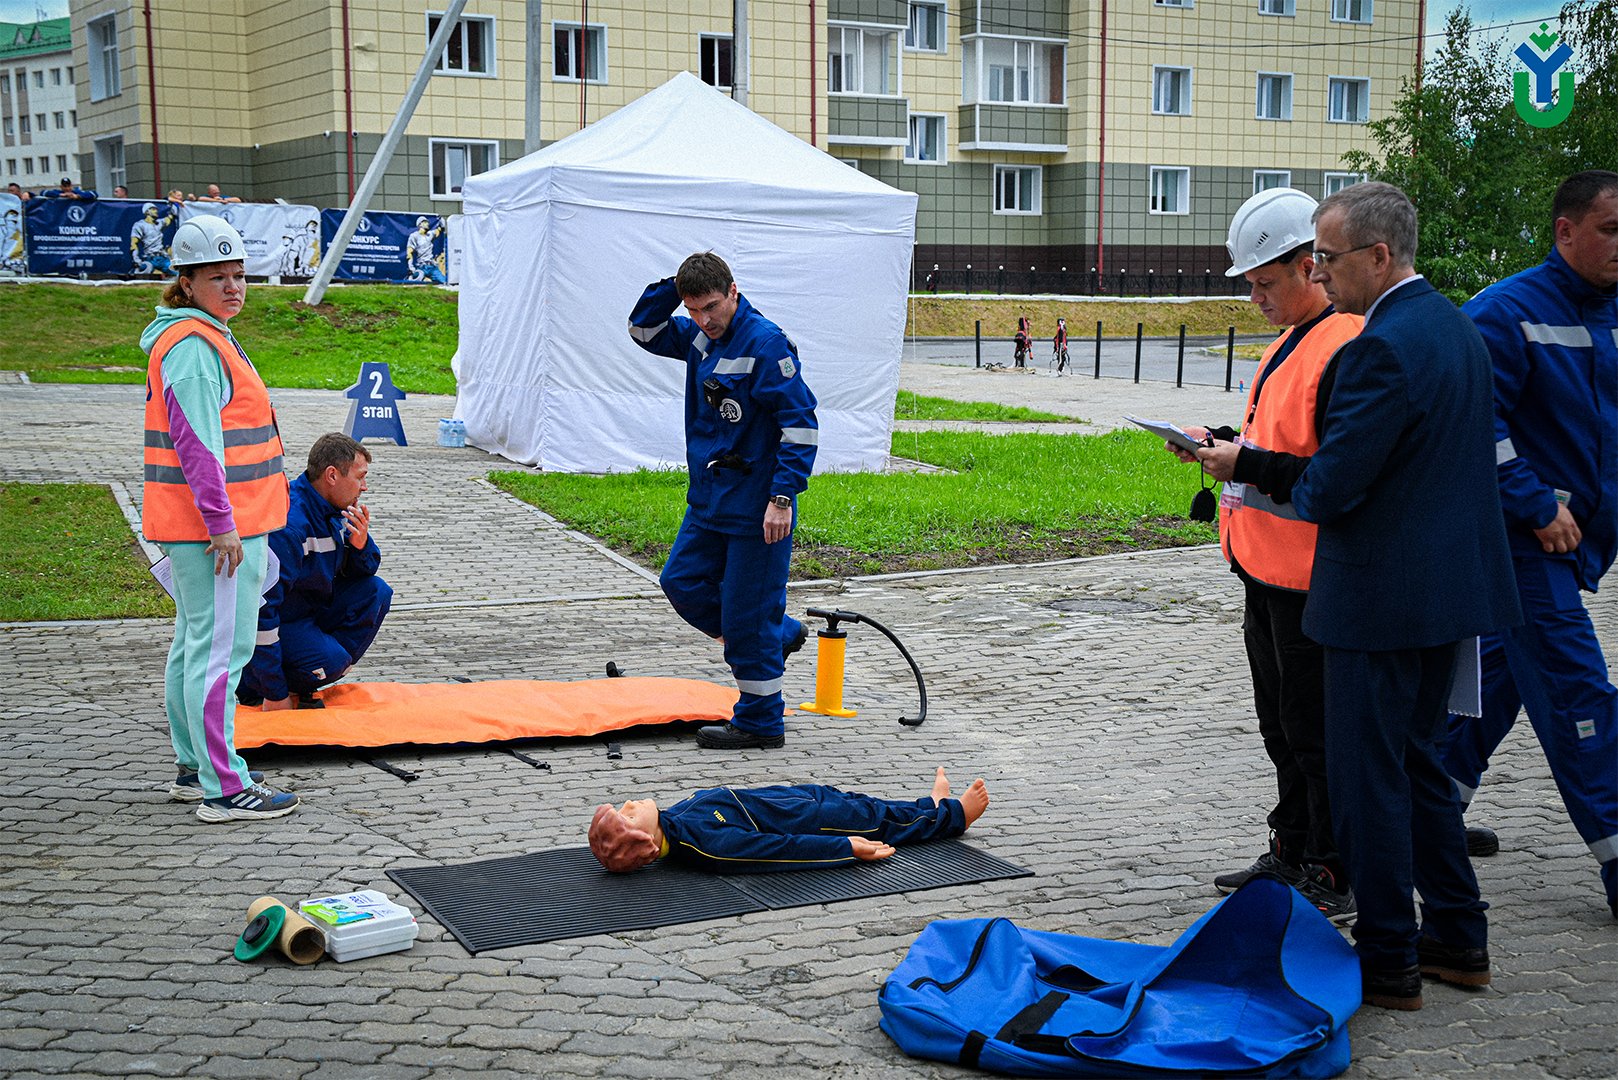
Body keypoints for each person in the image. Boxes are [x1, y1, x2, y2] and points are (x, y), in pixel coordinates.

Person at [1195, 182, 1520, 1010]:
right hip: (1446, 594)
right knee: (1416, 773)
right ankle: (1456, 936)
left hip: (1379, 602)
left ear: (1378, 255)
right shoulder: (1455, 325)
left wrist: (1249, 466)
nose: (1322, 272)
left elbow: (1335, 487)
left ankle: (1388, 962)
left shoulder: (1378, 345)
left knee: (1370, 780)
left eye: (1330, 259)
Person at [1165, 188, 1362, 924]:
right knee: (1281, 725)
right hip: (1265, 570)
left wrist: (1240, 463)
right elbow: (1278, 438)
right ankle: (1292, 847)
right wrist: (1217, 441)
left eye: (1264, 282)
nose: (1254, 297)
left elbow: (1329, 469)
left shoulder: (1341, 344)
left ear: (1311, 266)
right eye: (1247, 284)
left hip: (1310, 581)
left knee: (1313, 732)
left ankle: (1331, 866)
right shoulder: (1292, 340)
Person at [1443, 170, 1618, 920]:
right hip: (1526, 545)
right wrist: (1535, 501)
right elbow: (1472, 422)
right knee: (1580, 696)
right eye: (1611, 230)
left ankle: (1419, 818)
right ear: (1565, 231)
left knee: (1484, 696)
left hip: (1580, 544)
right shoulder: (1504, 313)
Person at [140, 214, 298, 823]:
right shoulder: (194, 348)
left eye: (239, 276)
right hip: (218, 532)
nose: (234, 288)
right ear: (186, 282)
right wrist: (222, 523)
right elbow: (199, 446)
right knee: (219, 654)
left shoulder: (201, 337)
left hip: (215, 525)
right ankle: (224, 787)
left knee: (194, 646)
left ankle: (195, 767)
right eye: (218, 277)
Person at [627, 252, 819, 750]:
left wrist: (782, 497)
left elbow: (801, 428)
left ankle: (759, 722)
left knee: (745, 616)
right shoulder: (697, 334)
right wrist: (677, 286)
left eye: (711, 306)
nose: (704, 320)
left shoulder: (765, 343)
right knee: (681, 582)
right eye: (693, 310)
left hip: (758, 509)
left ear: (734, 291)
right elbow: (642, 329)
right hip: (710, 499)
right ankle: (776, 634)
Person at [237, 433, 392, 711]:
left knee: (376, 591)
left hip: (307, 611)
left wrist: (360, 545)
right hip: (281, 621)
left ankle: (309, 671)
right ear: (332, 475)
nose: (364, 487)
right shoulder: (291, 525)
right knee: (330, 661)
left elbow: (362, 575)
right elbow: (260, 611)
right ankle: (254, 685)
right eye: (360, 477)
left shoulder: (333, 509)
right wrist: (275, 694)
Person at [589, 767, 990, 873]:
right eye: (627, 814)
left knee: (869, 805)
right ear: (643, 838)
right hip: (812, 824)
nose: (629, 802)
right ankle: (954, 818)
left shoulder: (673, 820)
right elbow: (776, 852)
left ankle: (931, 806)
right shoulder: (703, 843)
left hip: (801, 800)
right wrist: (844, 848)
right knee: (875, 821)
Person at [130, 202, 176, 278]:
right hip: (150, 259)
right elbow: (134, 243)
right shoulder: (139, 225)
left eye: (156, 209)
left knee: (176, 273)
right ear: (147, 211)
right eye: (153, 209)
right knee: (147, 272)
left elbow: (169, 219)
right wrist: (136, 259)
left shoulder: (159, 223)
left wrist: (173, 207)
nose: (156, 211)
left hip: (163, 258)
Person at [405, 216, 446, 283]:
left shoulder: (430, 234)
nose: (427, 224)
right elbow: (409, 253)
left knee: (444, 282)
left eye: (427, 222)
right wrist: (411, 267)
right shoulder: (414, 236)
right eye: (425, 222)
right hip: (421, 267)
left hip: (432, 267)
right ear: (420, 224)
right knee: (417, 281)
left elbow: (440, 229)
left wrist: (441, 221)